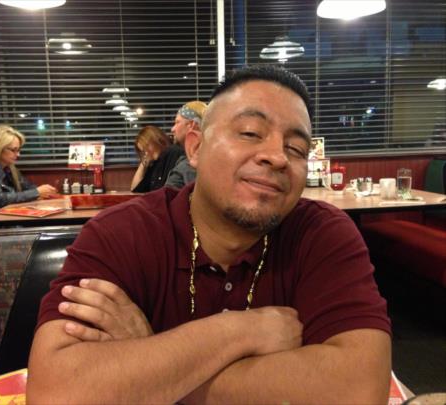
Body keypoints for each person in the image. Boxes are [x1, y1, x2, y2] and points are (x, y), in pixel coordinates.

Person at [27, 65, 391, 404]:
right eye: (250, 133)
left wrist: (156, 369)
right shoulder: (121, 232)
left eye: (296, 149)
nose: (278, 157)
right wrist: (240, 331)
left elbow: (360, 389)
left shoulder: (322, 234)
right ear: (196, 147)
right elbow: (54, 392)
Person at [165, 100, 208, 188]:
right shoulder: (204, 159)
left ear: (191, 125)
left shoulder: (193, 165)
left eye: (177, 122)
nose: (172, 129)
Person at [130, 125, 182, 193]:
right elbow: (134, 189)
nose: (146, 153)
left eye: (146, 147)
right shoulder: (153, 164)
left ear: (156, 140)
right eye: (143, 151)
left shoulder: (173, 152)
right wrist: (143, 164)